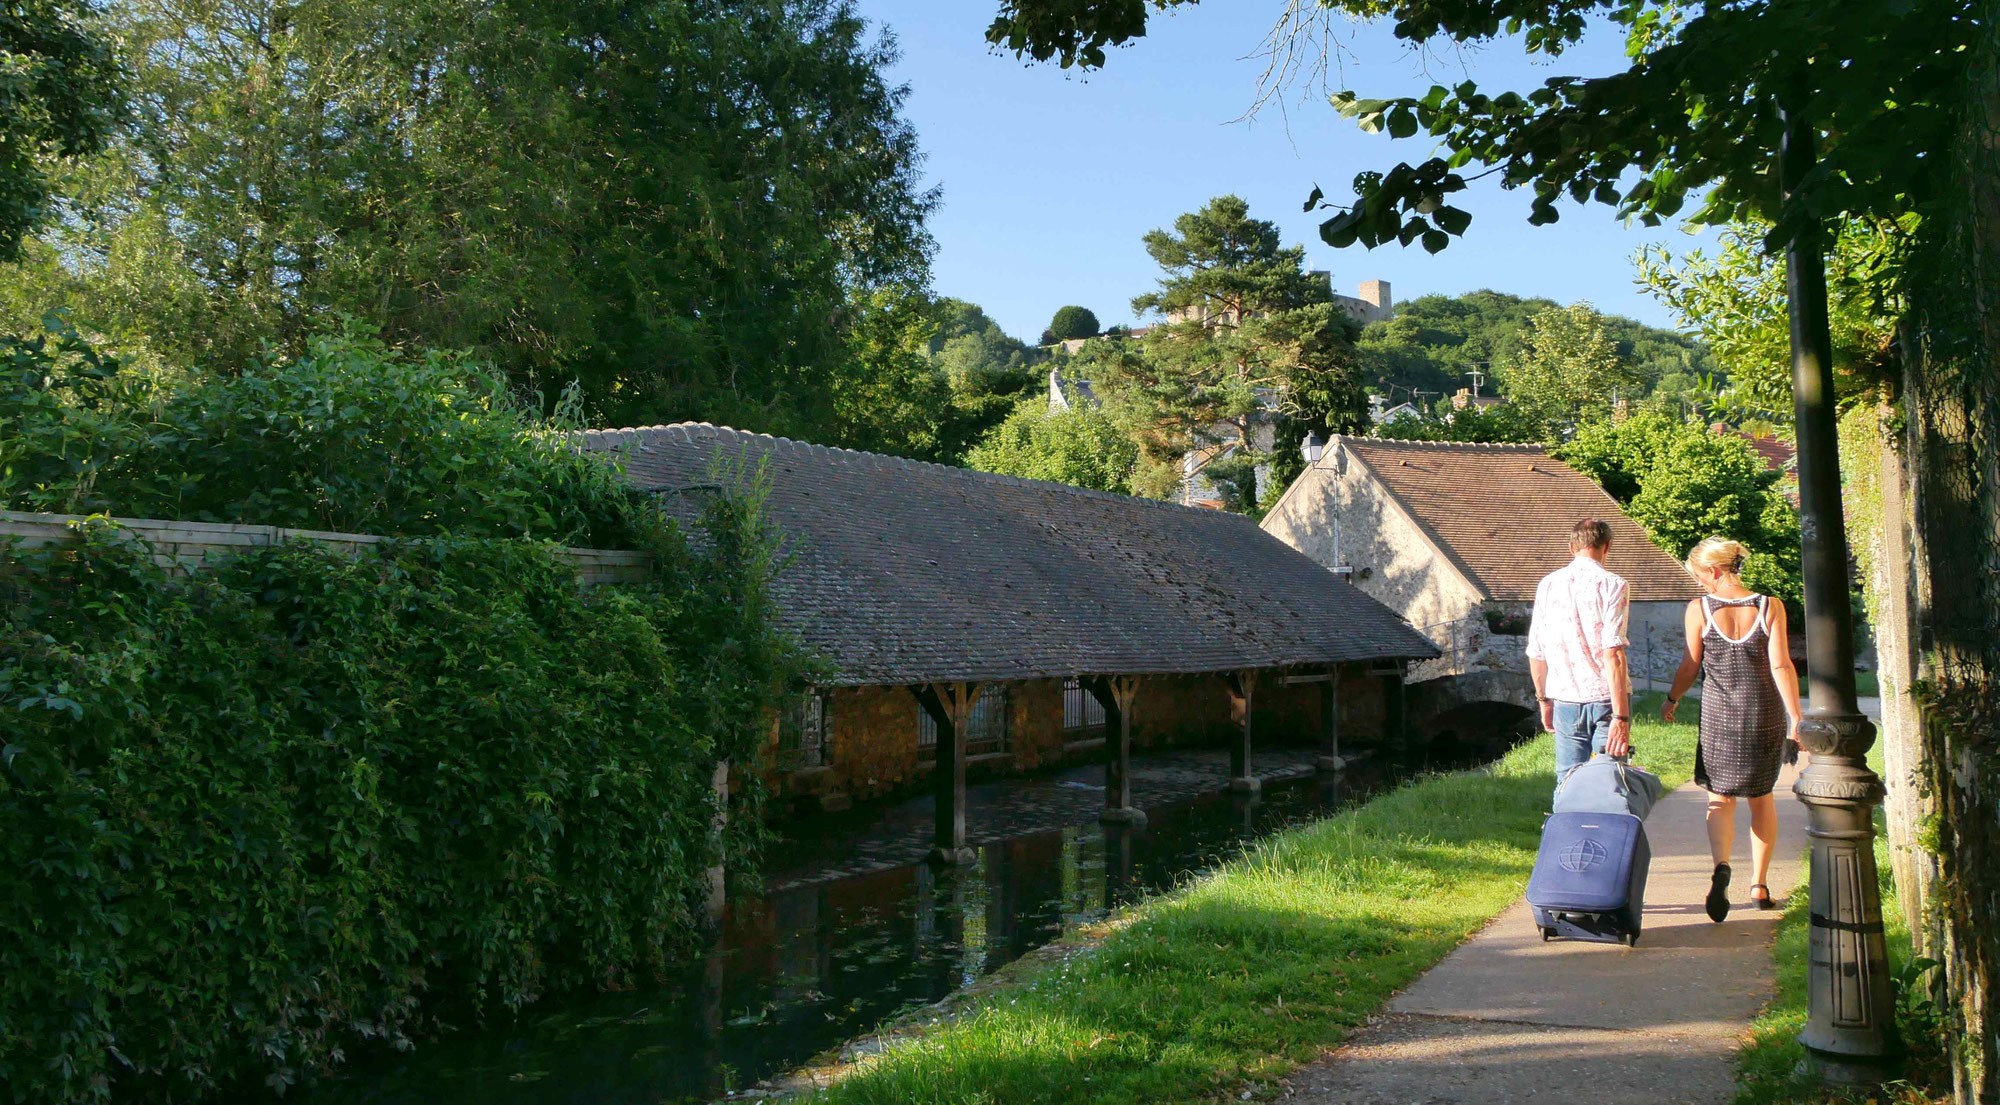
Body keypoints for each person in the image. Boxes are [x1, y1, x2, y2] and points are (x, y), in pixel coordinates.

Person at [1662, 537, 1802, 922]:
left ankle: (1722, 866)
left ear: (1713, 571)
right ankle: (1759, 885)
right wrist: (1796, 719)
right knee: (1762, 798)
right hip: (1764, 714)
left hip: (1720, 716)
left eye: (1700, 577)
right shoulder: (1769, 606)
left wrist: (1672, 699)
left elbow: (1691, 665)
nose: (1700, 585)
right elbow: (1782, 666)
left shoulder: (1700, 609)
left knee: (1719, 799)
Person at [1526, 519, 1634, 800]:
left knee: (1566, 779)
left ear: (1571, 547)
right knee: (1610, 778)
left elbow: (1537, 649)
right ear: (1607, 547)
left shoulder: (1547, 585)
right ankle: (1607, 842)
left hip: (1565, 698)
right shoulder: (1613, 585)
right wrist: (1621, 716)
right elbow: (1613, 653)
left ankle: (1563, 840)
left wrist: (1543, 700)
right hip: (1606, 699)